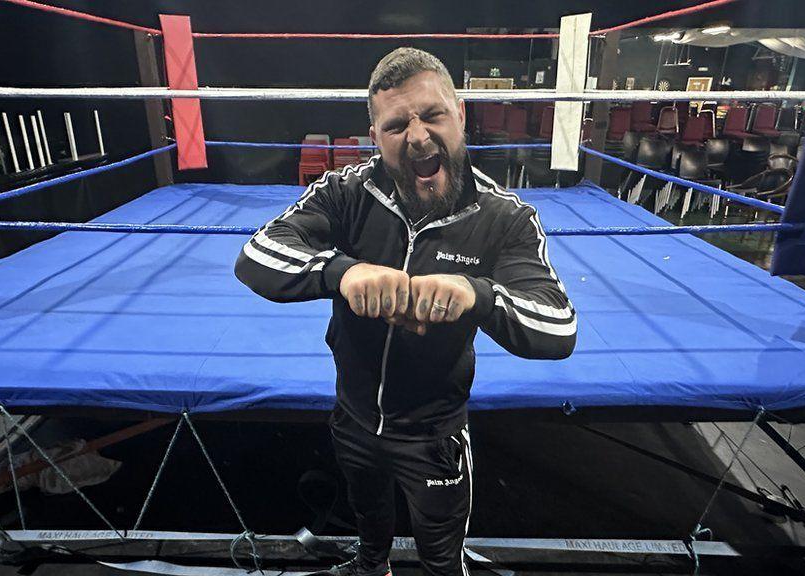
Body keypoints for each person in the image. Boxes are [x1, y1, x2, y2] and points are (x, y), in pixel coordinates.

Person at [235, 47, 576, 576]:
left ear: (460, 113)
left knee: (441, 559)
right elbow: (257, 255)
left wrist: (477, 295)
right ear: (376, 137)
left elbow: (558, 326)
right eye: (397, 125)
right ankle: (372, 567)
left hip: (433, 434)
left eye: (432, 115)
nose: (417, 137)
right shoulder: (345, 192)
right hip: (353, 416)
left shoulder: (505, 218)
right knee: (368, 533)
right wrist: (342, 272)